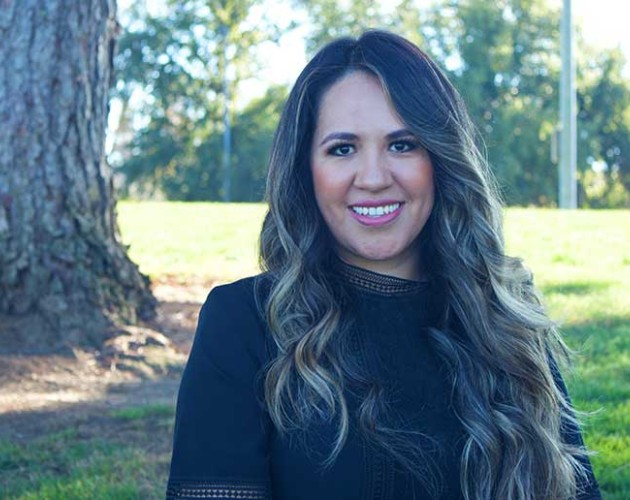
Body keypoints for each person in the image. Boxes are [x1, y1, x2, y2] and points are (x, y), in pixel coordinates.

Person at [167, 30, 601, 499]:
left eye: (402, 145)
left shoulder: (507, 319)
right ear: (304, 169)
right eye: (342, 148)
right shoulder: (243, 323)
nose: (373, 178)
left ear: (440, 159)